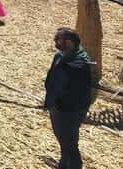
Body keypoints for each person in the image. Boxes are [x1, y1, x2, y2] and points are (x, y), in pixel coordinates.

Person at [44, 27, 94, 169]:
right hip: (58, 105)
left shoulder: (79, 63)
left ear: (70, 42)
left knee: (70, 144)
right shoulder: (61, 56)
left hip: (69, 110)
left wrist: (58, 103)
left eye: (59, 38)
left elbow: (72, 90)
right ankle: (63, 165)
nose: (55, 40)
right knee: (64, 141)